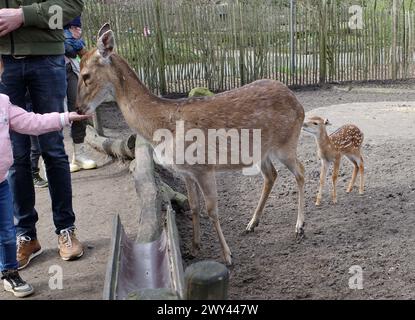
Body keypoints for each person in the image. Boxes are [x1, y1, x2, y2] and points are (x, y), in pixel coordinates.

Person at [0, 0, 84, 269]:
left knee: (53, 149)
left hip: (46, 58)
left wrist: (24, 16)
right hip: (2, 63)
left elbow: (72, 6)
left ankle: (65, 229)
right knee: (15, 155)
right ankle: (26, 234)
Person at [0, 93, 90, 297]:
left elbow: (32, 122)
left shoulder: (4, 104)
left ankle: (10, 274)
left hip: (1, 186)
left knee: (6, 234)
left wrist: (64, 117)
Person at [64, 16, 97, 173]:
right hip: (48, 69)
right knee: (51, 114)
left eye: (79, 29)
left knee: (78, 108)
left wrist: (75, 42)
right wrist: (73, 42)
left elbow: (74, 50)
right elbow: (69, 48)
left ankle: (79, 154)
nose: (79, 32)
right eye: (75, 29)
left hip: (69, 69)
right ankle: (54, 161)